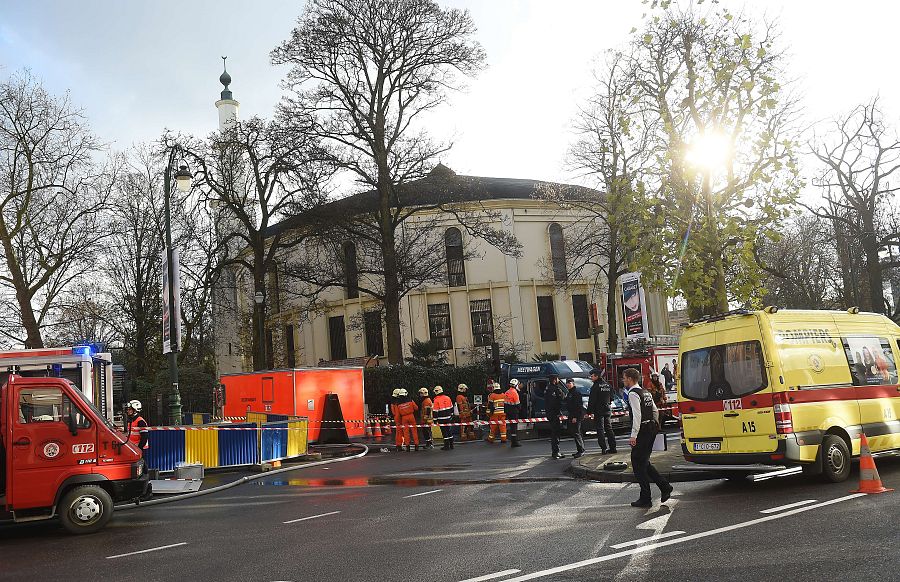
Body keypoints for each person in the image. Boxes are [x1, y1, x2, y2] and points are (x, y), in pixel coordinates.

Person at [624, 368, 672, 507]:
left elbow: (637, 415)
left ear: (630, 379)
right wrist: (656, 425)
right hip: (650, 428)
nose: (624, 380)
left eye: (625, 378)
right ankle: (664, 486)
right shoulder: (645, 391)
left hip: (642, 430)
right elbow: (655, 410)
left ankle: (646, 497)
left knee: (637, 462)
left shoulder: (633, 393)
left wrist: (633, 435)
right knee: (643, 461)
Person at [587, 368, 617, 454]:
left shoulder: (595, 386)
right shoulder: (608, 385)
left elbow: (592, 400)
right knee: (609, 428)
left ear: (597, 376)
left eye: (592, 376)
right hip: (607, 409)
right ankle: (613, 447)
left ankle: (603, 448)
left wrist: (589, 412)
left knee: (600, 429)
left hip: (598, 410)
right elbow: (612, 397)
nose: (591, 378)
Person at [544, 374, 566, 459]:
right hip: (554, 414)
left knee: (555, 433)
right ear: (554, 380)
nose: (558, 381)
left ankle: (555, 451)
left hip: (550, 413)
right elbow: (557, 401)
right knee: (556, 433)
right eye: (557, 379)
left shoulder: (548, 388)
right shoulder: (554, 389)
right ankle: (555, 452)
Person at [564, 379, 585, 458]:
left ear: (573, 383)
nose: (568, 384)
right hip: (572, 415)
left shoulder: (576, 393)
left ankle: (581, 450)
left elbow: (578, 406)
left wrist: (576, 417)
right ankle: (579, 450)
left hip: (576, 416)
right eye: (567, 383)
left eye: (569, 383)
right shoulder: (569, 393)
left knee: (577, 433)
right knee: (575, 432)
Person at [432, 386, 455, 450]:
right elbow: (451, 408)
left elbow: (435, 411)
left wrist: (435, 420)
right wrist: (451, 416)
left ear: (436, 392)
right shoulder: (448, 398)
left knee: (444, 432)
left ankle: (446, 446)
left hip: (441, 418)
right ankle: (451, 445)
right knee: (449, 430)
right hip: (448, 417)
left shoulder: (436, 400)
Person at [504, 379, 522, 447]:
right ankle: (514, 442)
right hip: (514, 412)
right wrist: (520, 410)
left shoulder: (507, 392)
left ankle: (513, 441)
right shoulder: (515, 392)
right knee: (514, 427)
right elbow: (518, 404)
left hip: (508, 412)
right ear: (516, 385)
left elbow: (505, 403)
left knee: (512, 427)